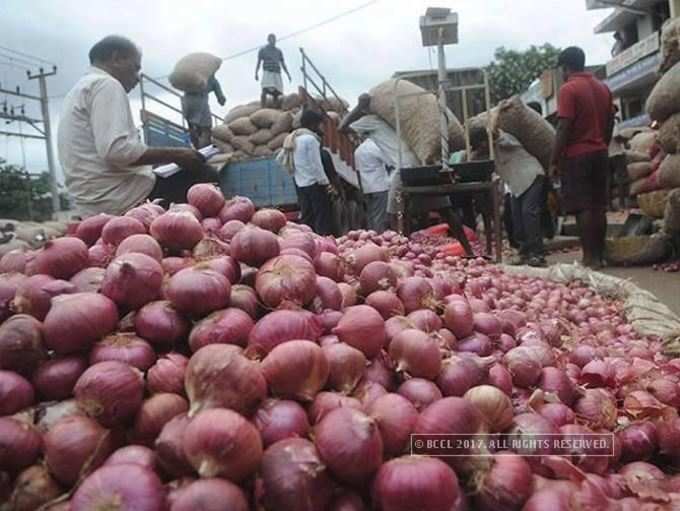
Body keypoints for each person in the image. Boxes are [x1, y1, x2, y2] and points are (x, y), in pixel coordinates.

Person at [58, 35, 216, 218]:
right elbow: (117, 150)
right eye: (135, 68)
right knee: (203, 176)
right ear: (116, 59)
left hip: (92, 203)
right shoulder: (106, 85)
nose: (137, 78)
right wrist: (178, 154)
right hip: (122, 198)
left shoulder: (77, 91)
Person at [339, 94, 473, 255]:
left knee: (395, 216)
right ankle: (469, 251)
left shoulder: (370, 121)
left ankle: (404, 255)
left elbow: (342, 127)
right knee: (445, 210)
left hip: (404, 170)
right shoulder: (400, 120)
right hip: (424, 163)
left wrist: (359, 107)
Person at [550, 46, 615, 269]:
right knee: (598, 206)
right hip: (600, 152)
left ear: (566, 68)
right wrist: (603, 143)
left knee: (583, 207)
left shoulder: (569, 89)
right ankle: (601, 254)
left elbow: (563, 126)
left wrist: (554, 159)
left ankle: (590, 258)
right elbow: (610, 122)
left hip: (578, 155)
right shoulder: (603, 88)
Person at [470, 123, 547, 267]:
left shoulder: (505, 140)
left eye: (481, 144)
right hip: (516, 185)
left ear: (486, 140)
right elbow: (474, 159)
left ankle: (537, 254)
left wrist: (493, 131)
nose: (481, 148)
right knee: (516, 218)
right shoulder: (489, 153)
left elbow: (500, 136)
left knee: (528, 213)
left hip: (530, 176)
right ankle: (524, 252)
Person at [279, 110, 333, 235]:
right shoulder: (311, 139)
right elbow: (316, 164)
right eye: (319, 124)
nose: (320, 127)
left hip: (300, 184)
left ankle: (307, 238)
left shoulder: (293, 139)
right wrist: (326, 182)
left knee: (307, 215)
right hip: (314, 183)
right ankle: (322, 239)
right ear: (313, 124)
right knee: (321, 215)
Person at [354, 133, 390, 233]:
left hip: (366, 188)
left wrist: (361, 189)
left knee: (370, 215)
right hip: (380, 187)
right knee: (379, 216)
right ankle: (378, 237)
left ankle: (370, 236)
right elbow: (389, 162)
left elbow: (358, 171)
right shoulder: (376, 147)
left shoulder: (357, 151)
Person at [181, 74, 226, 149]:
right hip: (201, 105)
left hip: (187, 105)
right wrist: (222, 99)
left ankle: (196, 147)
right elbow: (221, 99)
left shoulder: (191, 75)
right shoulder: (212, 80)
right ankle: (202, 152)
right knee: (206, 129)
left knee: (193, 128)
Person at [255, 34, 291, 109]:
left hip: (277, 72)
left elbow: (283, 63)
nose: (273, 41)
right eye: (271, 39)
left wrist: (288, 74)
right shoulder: (263, 50)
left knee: (276, 93)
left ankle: (275, 108)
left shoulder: (278, 51)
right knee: (264, 89)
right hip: (268, 71)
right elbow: (258, 62)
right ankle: (263, 107)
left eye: (274, 39)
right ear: (268, 40)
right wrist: (256, 73)